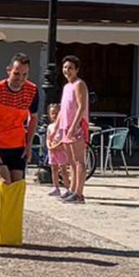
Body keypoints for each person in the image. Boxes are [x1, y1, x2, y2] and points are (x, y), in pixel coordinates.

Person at [0, 53, 39, 184]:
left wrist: (29, 146)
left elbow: (33, 117)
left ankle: (14, 206)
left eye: (25, 75)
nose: (20, 78)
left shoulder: (32, 90)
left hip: (16, 144)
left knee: (17, 183)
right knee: (5, 182)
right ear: (9, 71)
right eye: (16, 74)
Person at [58, 55, 90, 204]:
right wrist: (57, 127)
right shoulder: (66, 86)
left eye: (70, 68)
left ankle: (79, 193)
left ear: (77, 70)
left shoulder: (79, 84)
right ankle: (72, 188)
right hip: (66, 127)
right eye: (65, 67)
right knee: (70, 160)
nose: (67, 70)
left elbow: (81, 107)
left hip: (76, 127)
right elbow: (63, 109)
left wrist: (74, 126)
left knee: (79, 161)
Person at [45, 103, 71, 197]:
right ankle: (55, 187)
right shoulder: (50, 126)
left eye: (57, 113)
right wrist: (49, 146)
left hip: (61, 150)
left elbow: (64, 139)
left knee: (63, 169)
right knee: (54, 169)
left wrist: (56, 146)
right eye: (52, 113)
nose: (55, 115)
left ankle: (67, 187)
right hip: (52, 151)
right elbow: (48, 138)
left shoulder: (63, 127)